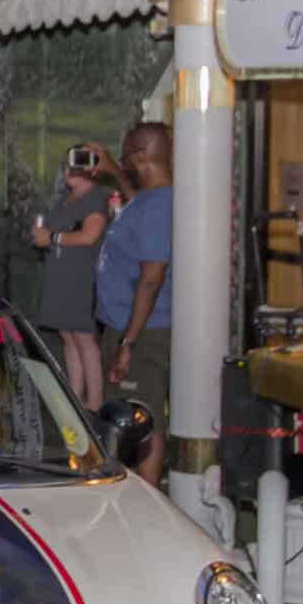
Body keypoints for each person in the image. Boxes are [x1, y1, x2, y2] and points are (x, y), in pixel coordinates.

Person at [96, 123, 174, 485]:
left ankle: (148, 497)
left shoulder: (160, 204)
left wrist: (128, 343)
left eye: (126, 157)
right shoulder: (146, 200)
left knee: (143, 416)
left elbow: (151, 278)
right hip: (124, 323)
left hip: (143, 330)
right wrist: (113, 169)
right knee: (127, 414)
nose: (124, 163)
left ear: (142, 157)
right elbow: (137, 212)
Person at [30, 149, 113, 405]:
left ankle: (94, 403)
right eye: (66, 164)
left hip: (80, 276)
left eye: (77, 164)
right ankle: (76, 397)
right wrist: (42, 236)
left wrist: (53, 237)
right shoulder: (65, 198)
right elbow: (52, 232)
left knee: (84, 338)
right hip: (60, 272)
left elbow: (90, 236)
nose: (69, 170)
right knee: (67, 336)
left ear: (92, 169)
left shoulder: (95, 198)